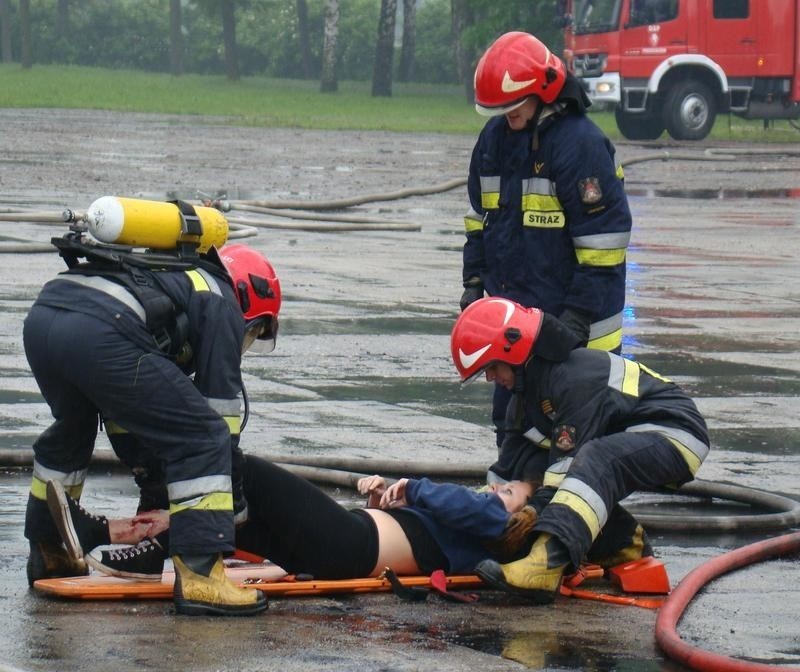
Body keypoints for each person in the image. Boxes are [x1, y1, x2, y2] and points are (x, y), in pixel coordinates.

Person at [23, 233, 281, 617]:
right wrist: (230, 510)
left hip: (46, 318)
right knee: (204, 434)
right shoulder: (222, 299)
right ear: (249, 300)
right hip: (100, 329)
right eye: (255, 332)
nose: (247, 342)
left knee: (72, 429)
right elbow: (218, 420)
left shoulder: (169, 277)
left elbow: (129, 414)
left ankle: (51, 550)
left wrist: (154, 482)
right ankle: (201, 577)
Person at [450, 297, 710, 603]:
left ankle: (545, 564)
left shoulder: (576, 378)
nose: (491, 378)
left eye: (491, 367)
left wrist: (533, 511)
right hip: (622, 440)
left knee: (594, 461)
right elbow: (505, 473)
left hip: (675, 432)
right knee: (538, 470)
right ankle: (625, 545)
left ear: (515, 351)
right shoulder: (523, 403)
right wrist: (481, 514)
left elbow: (564, 471)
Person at [459, 31, 632, 449]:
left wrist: (573, 321)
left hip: (579, 333)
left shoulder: (580, 146)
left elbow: (603, 245)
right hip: (515, 330)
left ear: (543, 92)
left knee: (578, 447)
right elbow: (479, 219)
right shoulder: (495, 141)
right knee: (513, 439)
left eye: (512, 109)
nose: (505, 118)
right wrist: (474, 285)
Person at [44, 455, 537, 580]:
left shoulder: (493, 523)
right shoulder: (471, 528)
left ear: (521, 516)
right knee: (227, 515)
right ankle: (114, 538)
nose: (497, 489)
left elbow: (463, 505)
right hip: (344, 546)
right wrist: (383, 498)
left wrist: (412, 486)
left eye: (509, 492)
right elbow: (420, 530)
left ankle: (137, 548)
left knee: (243, 472)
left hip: (348, 547)